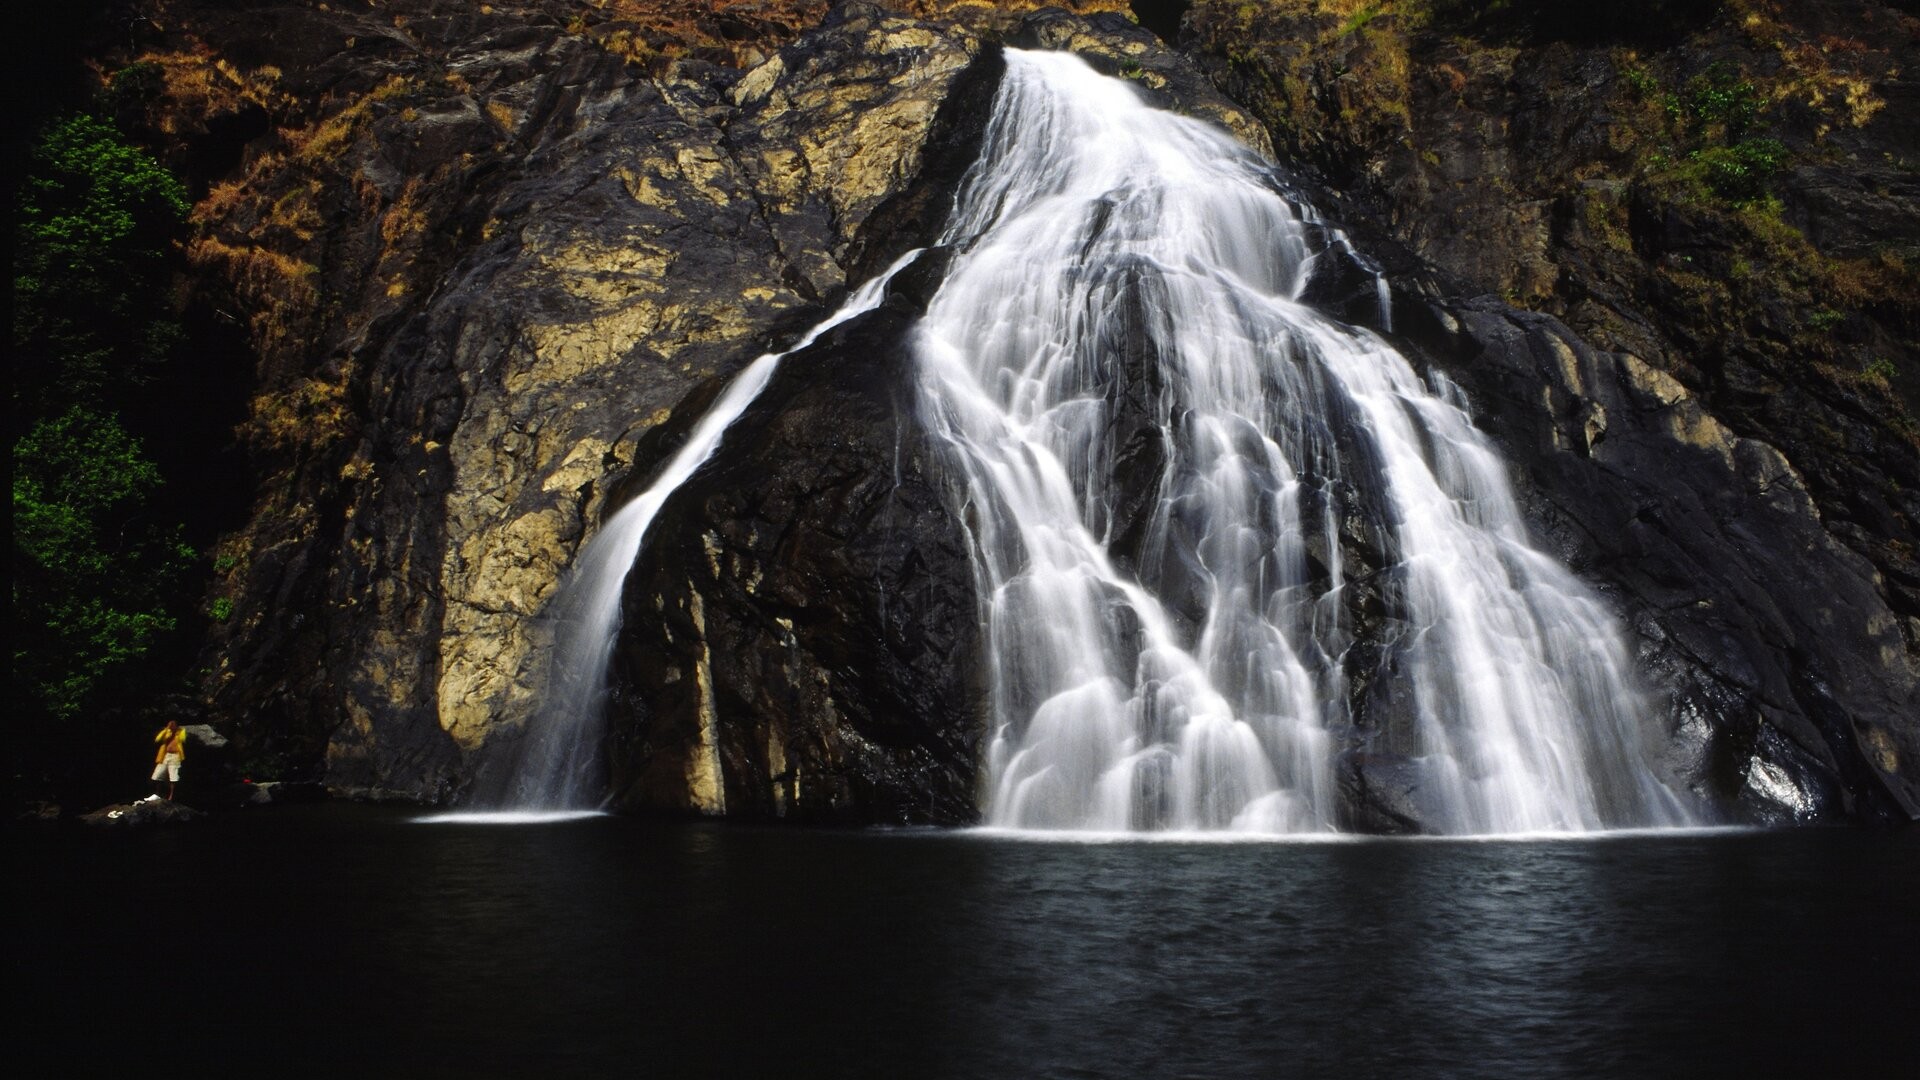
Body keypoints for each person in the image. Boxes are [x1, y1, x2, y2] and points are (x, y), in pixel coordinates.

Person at [150, 720, 187, 800]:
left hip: (175, 756)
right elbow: (157, 739)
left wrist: (176, 732)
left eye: (173, 724)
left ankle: (171, 796)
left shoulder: (181, 732)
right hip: (164, 755)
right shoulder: (167, 732)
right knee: (158, 775)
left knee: (173, 776)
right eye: (170, 724)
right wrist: (166, 729)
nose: (172, 725)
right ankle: (157, 794)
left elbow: (183, 739)